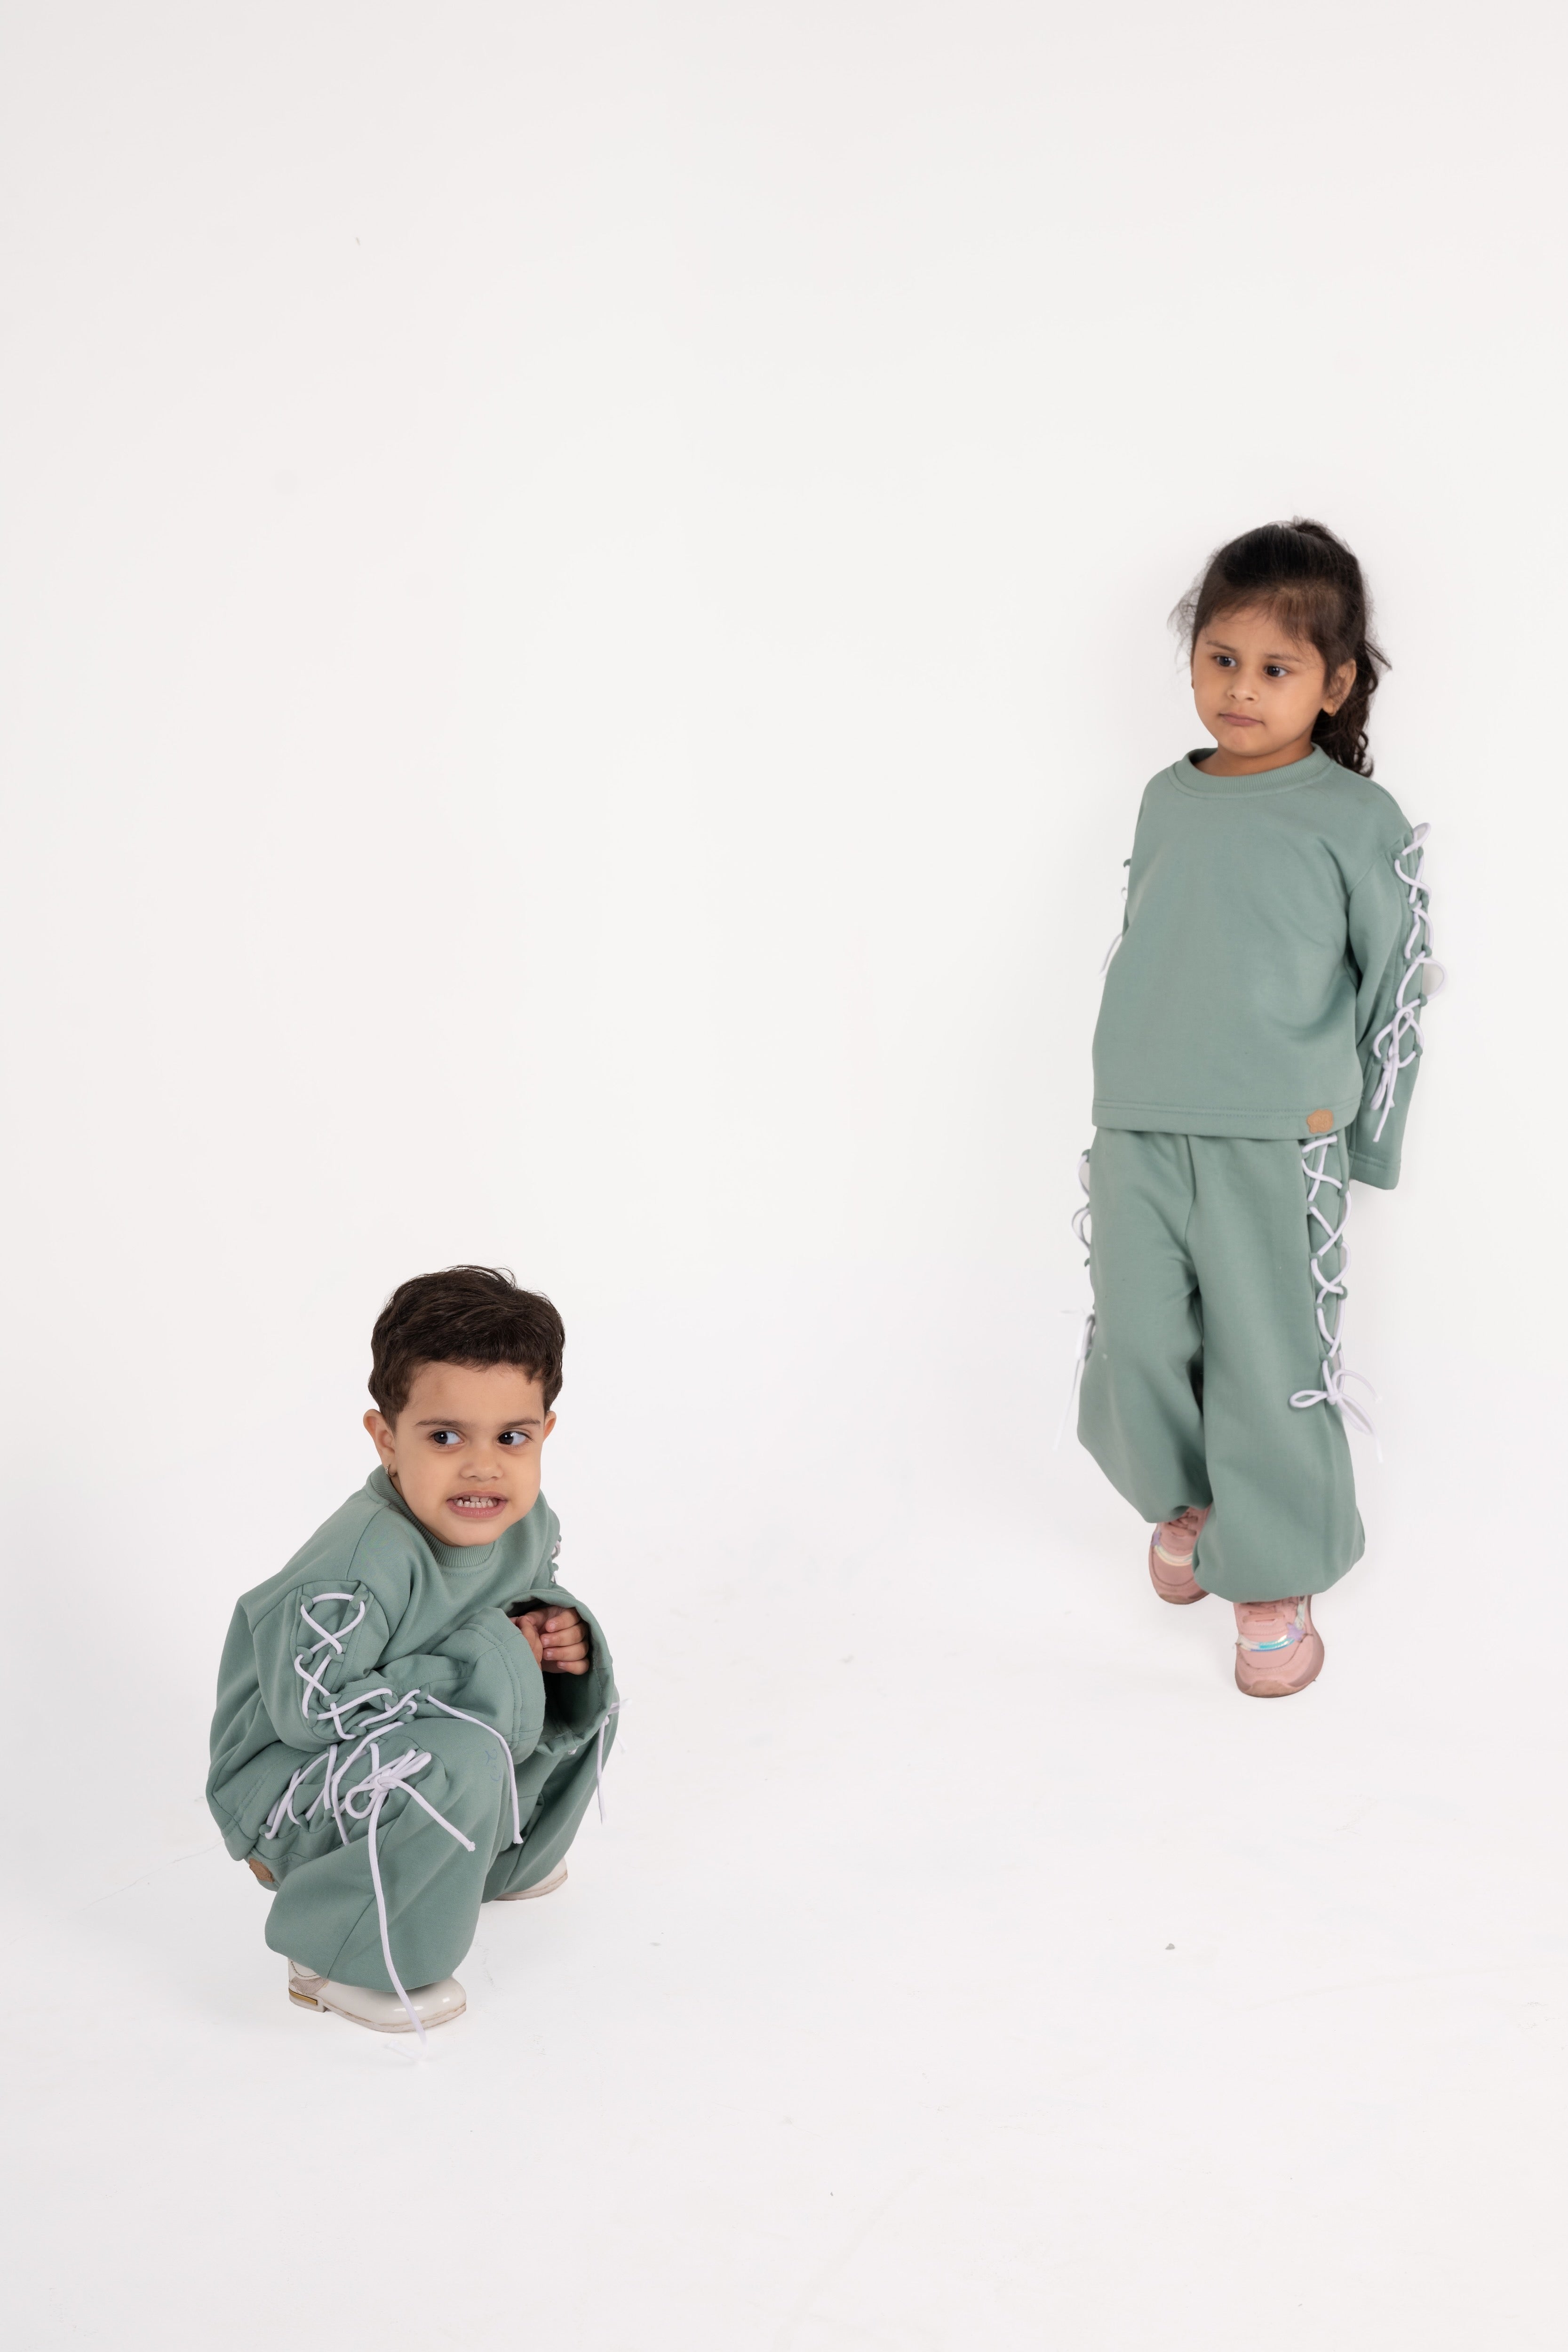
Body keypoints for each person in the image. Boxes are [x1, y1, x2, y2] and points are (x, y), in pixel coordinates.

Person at [1074, 519, 1440, 1697]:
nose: (1239, 688)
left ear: (1334, 684)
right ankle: (1188, 1502)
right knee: (1134, 1341)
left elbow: (1395, 991)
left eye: (1274, 668)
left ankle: (1274, 1573)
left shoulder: (1354, 820)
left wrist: (1367, 1147)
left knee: (1266, 1357)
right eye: (1219, 658)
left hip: (1279, 1134)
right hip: (1137, 1115)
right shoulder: (1162, 797)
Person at [206, 1265, 618, 2034]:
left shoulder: (521, 1520)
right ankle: (338, 1949)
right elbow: (315, 1710)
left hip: (411, 1734)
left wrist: (546, 1637)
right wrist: (494, 1663)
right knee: (459, 1752)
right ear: (387, 1439)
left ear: (544, 1435)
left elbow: (509, 1631)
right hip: (286, 1785)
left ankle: (490, 1861)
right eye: (444, 1436)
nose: (482, 1466)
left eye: (511, 1437)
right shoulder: (356, 1569)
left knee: (579, 1672)